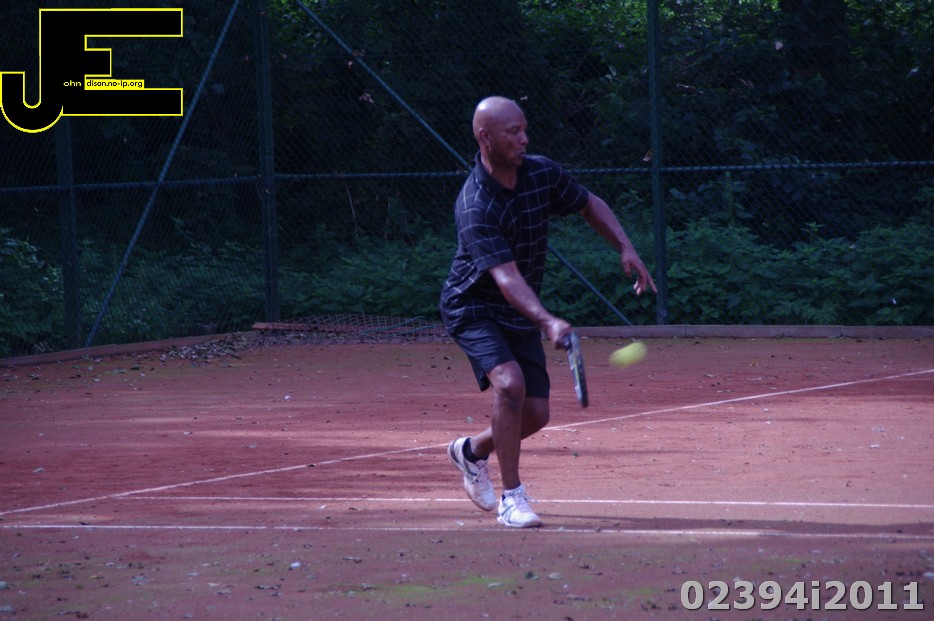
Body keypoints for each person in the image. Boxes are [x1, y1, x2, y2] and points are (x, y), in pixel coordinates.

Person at [439, 95, 656, 528]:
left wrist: (625, 246)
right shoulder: (475, 205)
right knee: (510, 385)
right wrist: (549, 320)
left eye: (525, 129)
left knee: (536, 414)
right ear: (485, 137)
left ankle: (471, 451)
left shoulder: (540, 173)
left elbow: (588, 203)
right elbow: (506, 278)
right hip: (474, 305)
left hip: (520, 309)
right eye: (513, 132)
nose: (524, 139)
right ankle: (512, 499)